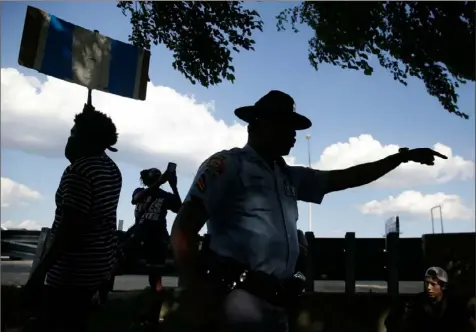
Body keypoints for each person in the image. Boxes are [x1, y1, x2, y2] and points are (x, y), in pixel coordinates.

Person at [169, 90, 448, 332]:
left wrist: (400, 158)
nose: (293, 135)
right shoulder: (227, 166)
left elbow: (348, 177)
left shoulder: (289, 176)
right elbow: (183, 229)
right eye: (284, 125)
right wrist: (197, 292)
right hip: (237, 299)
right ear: (257, 126)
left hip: (279, 302)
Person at [26, 103, 122, 332]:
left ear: (87, 140)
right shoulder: (111, 168)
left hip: (70, 273)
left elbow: (69, 229)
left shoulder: (79, 172)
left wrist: (41, 271)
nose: (68, 139)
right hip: (96, 268)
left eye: (73, 133)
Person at [131, 167, 182, 292]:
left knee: (156, 269)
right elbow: (136, 199)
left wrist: (174, 186)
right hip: (143, 233)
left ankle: (156, 292)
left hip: (155, 235)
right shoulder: (141, 191)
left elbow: (179, 208)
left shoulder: (164, 196)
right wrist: (161, 183)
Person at [398, 267, 474, 332]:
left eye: (433, 284)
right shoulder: (418, 302)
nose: (429, 288)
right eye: (427, 283)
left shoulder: (454, 302)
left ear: (443, 286)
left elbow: (468, 322)